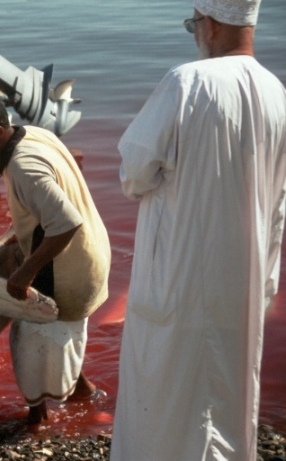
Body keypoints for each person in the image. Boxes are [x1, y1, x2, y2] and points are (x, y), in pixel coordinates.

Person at [110, 0, 286, 459]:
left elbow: (133, 174)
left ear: (209, 25)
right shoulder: (277, 92)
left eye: (193, 24)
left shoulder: (186, 82)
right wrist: (266, 287)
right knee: (226, 398)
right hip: (242, 286)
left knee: (165, 401)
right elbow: (277, 204)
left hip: (179, 283)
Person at [0, 92, 111, 425]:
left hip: (68, 269)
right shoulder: (36, 133)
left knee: (28, 337)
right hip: (91, 252)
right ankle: (85, 394)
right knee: (60, 339)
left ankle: (38, 418)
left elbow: (66, 222)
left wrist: (25, 272)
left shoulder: (23, 165)